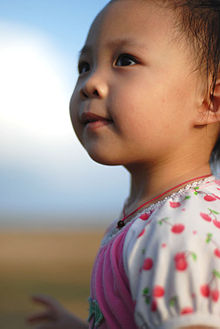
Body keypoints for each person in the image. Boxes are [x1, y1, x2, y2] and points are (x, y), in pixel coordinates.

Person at [27, 0, 220, 328]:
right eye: (85, 66)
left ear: (209, 103)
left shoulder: (182, 230)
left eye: (125, 60)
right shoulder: (152, 215)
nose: (90, 83)